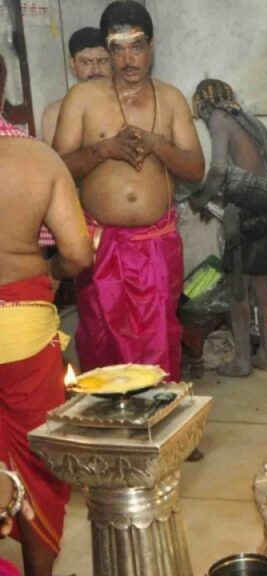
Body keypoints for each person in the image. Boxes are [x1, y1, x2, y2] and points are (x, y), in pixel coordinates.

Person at [53, 0, 205, 382]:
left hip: (157, 246)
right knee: (102, 344)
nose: (128, 59)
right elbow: (57, 168)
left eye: (136, 46)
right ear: (108, 50)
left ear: (151, 46)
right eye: (117, 49)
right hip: (101, 247)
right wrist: (103, 150)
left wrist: (156, 144)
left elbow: (195, 169)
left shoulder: (170, 99)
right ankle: (111, 418)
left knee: (158, 344)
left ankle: (160, 416)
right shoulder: (82, 99)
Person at [0, 54, 93, 576]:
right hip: (21, 327)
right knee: (37, 461)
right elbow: (78, 253)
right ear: (4, 88)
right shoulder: (38, 159)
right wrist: (51, 270)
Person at [191, 79, 267, 377]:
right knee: (263, 285)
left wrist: (202, 198)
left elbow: (219, 168)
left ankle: (242, 360)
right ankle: (266, 353)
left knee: (238, 290)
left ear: (200, 103)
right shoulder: (247, 118)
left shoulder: (219, 118)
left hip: (244, 212)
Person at [41, 27, 110, 146]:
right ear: (72, 65)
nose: (96, 70)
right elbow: (58, 157)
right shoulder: (55, 114)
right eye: (86, 62)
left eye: (102, 61)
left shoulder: (123, 105)